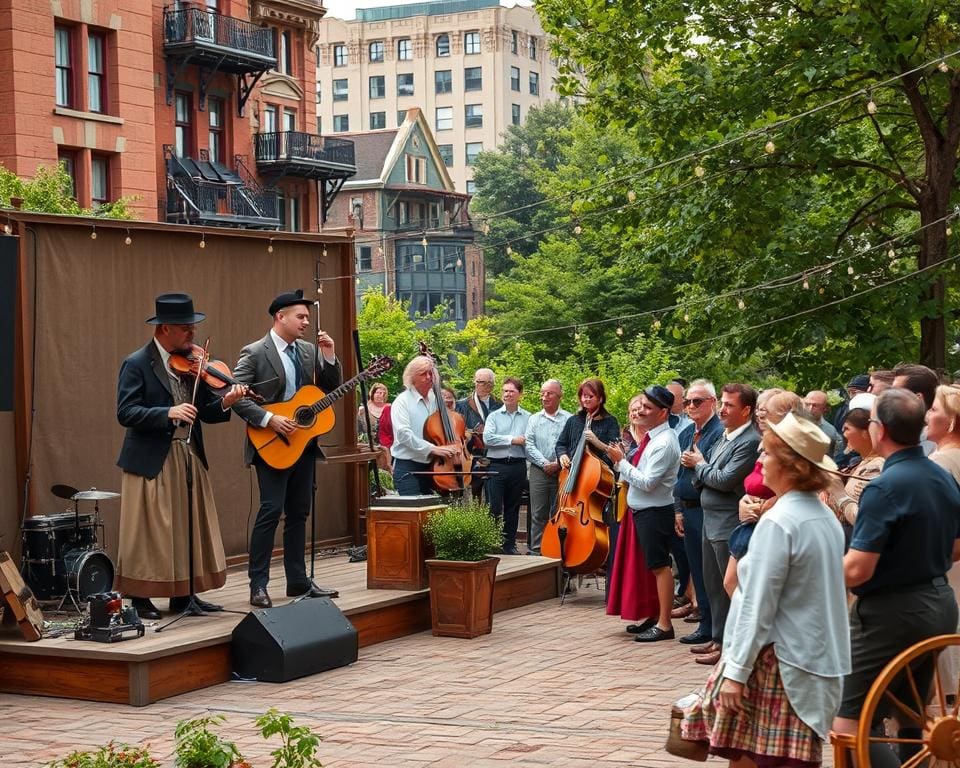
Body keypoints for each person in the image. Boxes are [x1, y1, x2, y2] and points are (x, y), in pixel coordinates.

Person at [680, 413, 850, 768]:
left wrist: (735, 672)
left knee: (765, 759)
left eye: (767, 454)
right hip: (809, 659)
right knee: (745, 755)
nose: (759, 461)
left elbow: (757, 604)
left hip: (779, 663)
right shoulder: (823, 517)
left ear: (791, 465)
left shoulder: (780, 521)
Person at [832, 388, 960, 765]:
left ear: (879, 429)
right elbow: (955, 547)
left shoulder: (885, 486)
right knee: (909, 713)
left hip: (892, 613)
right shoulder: (941, 476)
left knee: (848, 723)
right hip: (938, 606)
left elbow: (857, 569)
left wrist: (810, 575)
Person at [115, 293, 246, 620]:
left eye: (193, 328)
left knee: (188, 525)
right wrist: (167, 411)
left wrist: (227, 402)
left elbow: (204, 413)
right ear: (164, 329)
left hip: (188, 454)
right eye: (186, 328)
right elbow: (126, 412)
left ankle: (185, 596)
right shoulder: (137, 363)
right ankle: (141, 598)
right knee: (149, 530)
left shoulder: (191, 362)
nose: (192, 334)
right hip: (152, 458)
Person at [232, 290, 343, 608]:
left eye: (308, 317)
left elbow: (329, 389)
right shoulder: (254, 352)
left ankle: (297, 581)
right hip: (271, 445)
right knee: (270, 510)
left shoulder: (309, 352)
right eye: (300, 316)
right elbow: (236, 395)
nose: (307, 322)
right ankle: (258, 585)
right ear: (280, 316)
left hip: (304, 445)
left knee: (299, 513)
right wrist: (269, 419)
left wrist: (330, 356)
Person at [684, 383, 760, 666]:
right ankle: (717, 638)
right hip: (709, 518)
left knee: (728, 586)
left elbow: (725, 479)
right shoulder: (726, 437)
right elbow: (706, 474)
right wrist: (704, 470)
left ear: (746, 410)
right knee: (712, 584)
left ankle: (729, 645)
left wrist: (701, 466)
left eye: (729, 405)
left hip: (728, 521)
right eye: (723, 403)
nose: (723, 409)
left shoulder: (749, 441)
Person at [606, 386, 681, 642]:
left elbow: (648, 482)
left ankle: (664, 624)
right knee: (651, 567)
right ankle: (654, 615)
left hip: (655, 512)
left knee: (660, 567)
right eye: (642, 406)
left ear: (663, 413)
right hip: (643, 510)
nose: (642, 411)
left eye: (648, 408)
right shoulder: (652, 438)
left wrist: (620, 461)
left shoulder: (664, 442)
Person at [674, 379, 724, 646]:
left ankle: (715, 628)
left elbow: (715, 473)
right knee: (696, 568)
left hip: (708, 509)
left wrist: (698, 464)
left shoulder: (719, 432)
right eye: (687, 402)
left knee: (712, 573)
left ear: (713, 403)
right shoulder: (685, 433)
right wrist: (677, 509)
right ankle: (704, 622)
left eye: (697, 401)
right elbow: (678, 474)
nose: (691, 406)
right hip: (688, 508)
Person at [605, 395, 659, 630]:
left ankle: (653, 613)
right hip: (627, 503)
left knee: (645, 564)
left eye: (641, 409)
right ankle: (639, 611)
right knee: (630, 562)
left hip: (647, 505)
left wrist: (622, 462)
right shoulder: (626, 438)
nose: (636, 413)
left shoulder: (650, 440)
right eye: (632, 410)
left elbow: (644, 478)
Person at [389, 355, 461, 496]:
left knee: (435, 513)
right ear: (412, 377)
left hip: (433, 466)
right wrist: (433, 449)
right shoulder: (402, 401)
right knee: (414, 513)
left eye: (431, 373)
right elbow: (404, 435)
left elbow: (443, 429)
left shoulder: (435, 400)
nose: (429, 377)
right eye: (423, 374)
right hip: (408, 466)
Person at [820, 393, 882, 546]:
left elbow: (861, 516)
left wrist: (838, 493)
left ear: (866, 433)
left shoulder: (876, 466)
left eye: (847, 429)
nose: (844, 434)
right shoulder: (864, 461)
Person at [484, 377, 531, 555]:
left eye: (511, 391)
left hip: (518, 466)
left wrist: (514, 441)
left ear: (520, 394)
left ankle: (509, 544)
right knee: (494, 507)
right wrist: (513, 440)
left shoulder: (528, 417)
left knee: (513, 507)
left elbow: (529, 441)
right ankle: (491, 543)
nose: (507, 394)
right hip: (497, 465)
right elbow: (488, 439)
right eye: (505, 391)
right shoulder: (493, 416)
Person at [524, 379, 571, 555]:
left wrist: (558, 464)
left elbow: (571, 445)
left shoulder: (569, 419)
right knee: (538, 513)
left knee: (560, 512)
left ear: (560, 396)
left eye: (549, 393)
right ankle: (536, 552)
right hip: (539, 471)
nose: (544, 396)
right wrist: (545, 463)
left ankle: (557, 550)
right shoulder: (533, 419)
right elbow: (528, 445)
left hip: (563, 471)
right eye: (542, 393)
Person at [456, 368, 501, 501]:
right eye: (478, 382)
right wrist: (472, 431)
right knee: (473, 498)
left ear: (492, 385)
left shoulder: (499, 405)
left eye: (485, 382)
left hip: (494, 455)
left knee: (494, 497)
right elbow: (457, 431)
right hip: (471, 456)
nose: (480, 385)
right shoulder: (462, 405)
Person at [358, 382, 391, 473]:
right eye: (379, 393)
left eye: (384, 393)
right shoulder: (363, 410)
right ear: (372, 394)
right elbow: (358, 431)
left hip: (387, 449)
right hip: (368, 448)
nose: (381, 395)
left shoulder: (390, 409)